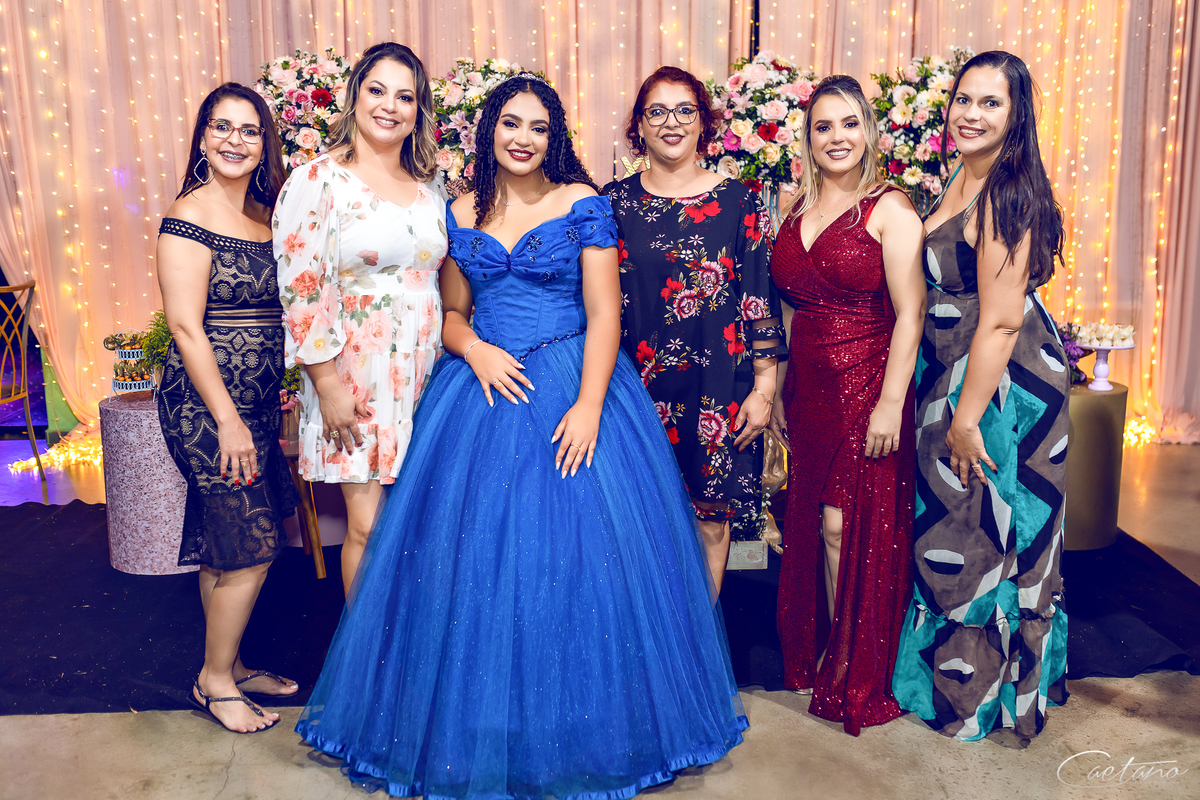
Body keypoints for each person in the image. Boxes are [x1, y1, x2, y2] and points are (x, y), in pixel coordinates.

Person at [294, 73, 747, 798]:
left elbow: (605, 314)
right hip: (480, 390)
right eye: (511, 123)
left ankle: (583, 726)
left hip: (571, 382)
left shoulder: (582, 203)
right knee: (471, 561)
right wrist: (473, 349)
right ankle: (480, 725)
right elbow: (452, 313)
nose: (524, 138)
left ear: (554, 136)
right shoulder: (459, 208)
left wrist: (590, 404)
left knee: (577, 559)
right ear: (490, 131)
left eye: (539, 126)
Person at [890, 51, 1069, 746]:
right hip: (953, 370)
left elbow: (1000, 320)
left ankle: (986, 699)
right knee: (959, 527)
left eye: (990, 103)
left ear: (1016, 114)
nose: (970, 113)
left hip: (999, 386)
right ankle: (955, 683)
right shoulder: (964, 175)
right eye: (963, 99)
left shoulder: (1007, 193)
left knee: (986, 532)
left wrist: (966, 419)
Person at [768, 75, 926, 735]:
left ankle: (852, 661)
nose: (837, 137)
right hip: (810, 390)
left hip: (868, 382)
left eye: (849, 123)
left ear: (869, 131)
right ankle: (831, 644)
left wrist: (890, 403)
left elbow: (912, 312)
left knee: (843, 525)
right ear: (808, 138)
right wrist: (780, 382)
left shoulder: (890, 209)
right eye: (823, 126)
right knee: (811, 521)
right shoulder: (794, 208)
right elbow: (788, 305)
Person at [274, 42, 447, 593]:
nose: (389, 106)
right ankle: (366, 649)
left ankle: (413, 641)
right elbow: (301, 290)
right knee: (370, 529)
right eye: (377, 90)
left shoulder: (431, 187)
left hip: (427, 375)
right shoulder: (318, 179)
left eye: (405, 96)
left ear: (418, 110)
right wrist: (327, 386)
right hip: (354, 376)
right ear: (355, 96)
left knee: (419, 529)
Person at [604, 66, 784, 593]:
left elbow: (758, 298)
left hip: (717, 393)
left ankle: (699, 642)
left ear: (703, 122)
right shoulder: (611, 203)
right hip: (633, 391)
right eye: (657, 112)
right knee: (638, 523)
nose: (671, 123)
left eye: (685, 110)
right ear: (639, 125)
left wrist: (764, 389)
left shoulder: (740, 202)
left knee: (710, 524)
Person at [156, 83, 300, 733]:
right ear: (203, 137)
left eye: (249, 130)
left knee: (225, 541)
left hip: (257, 400)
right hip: (205, 406)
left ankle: (231, 664)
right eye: (222, 127)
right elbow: (187, 328)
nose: (234, 140)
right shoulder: (188, 215)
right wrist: (228, 418)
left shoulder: (265, 215)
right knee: (252, 544)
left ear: (264, 142)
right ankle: (213, 683)